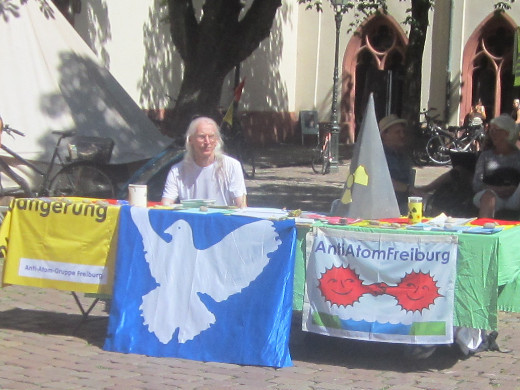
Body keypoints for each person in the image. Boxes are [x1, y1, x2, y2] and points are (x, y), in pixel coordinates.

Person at [161, 116, 247, 207]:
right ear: (190, 140)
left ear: (217, 140)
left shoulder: (232, 166)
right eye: (201, 137)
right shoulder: (177, 171)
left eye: (211, 136)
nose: (207, 142)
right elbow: (166, 204)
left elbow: (241, 206)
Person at [472, 113, 520, 218]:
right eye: (491, 130)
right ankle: (482, 230)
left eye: (496, 130)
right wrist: (497, 189)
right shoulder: (486, 156)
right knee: (489, 196)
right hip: (492, 194)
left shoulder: (518, 156)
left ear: (508, 133)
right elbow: (476, 184)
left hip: (514, 196)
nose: (492, 134)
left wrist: (512, 189)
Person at [378, 114, 416, 214]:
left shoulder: (402, 154)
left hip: (402, 202)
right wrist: (409, 189)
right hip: (384, 205)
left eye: (403, 132)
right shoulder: (379, 155)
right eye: (397, 132)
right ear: (384, 135)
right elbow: (381, 181)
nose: (402, 135)